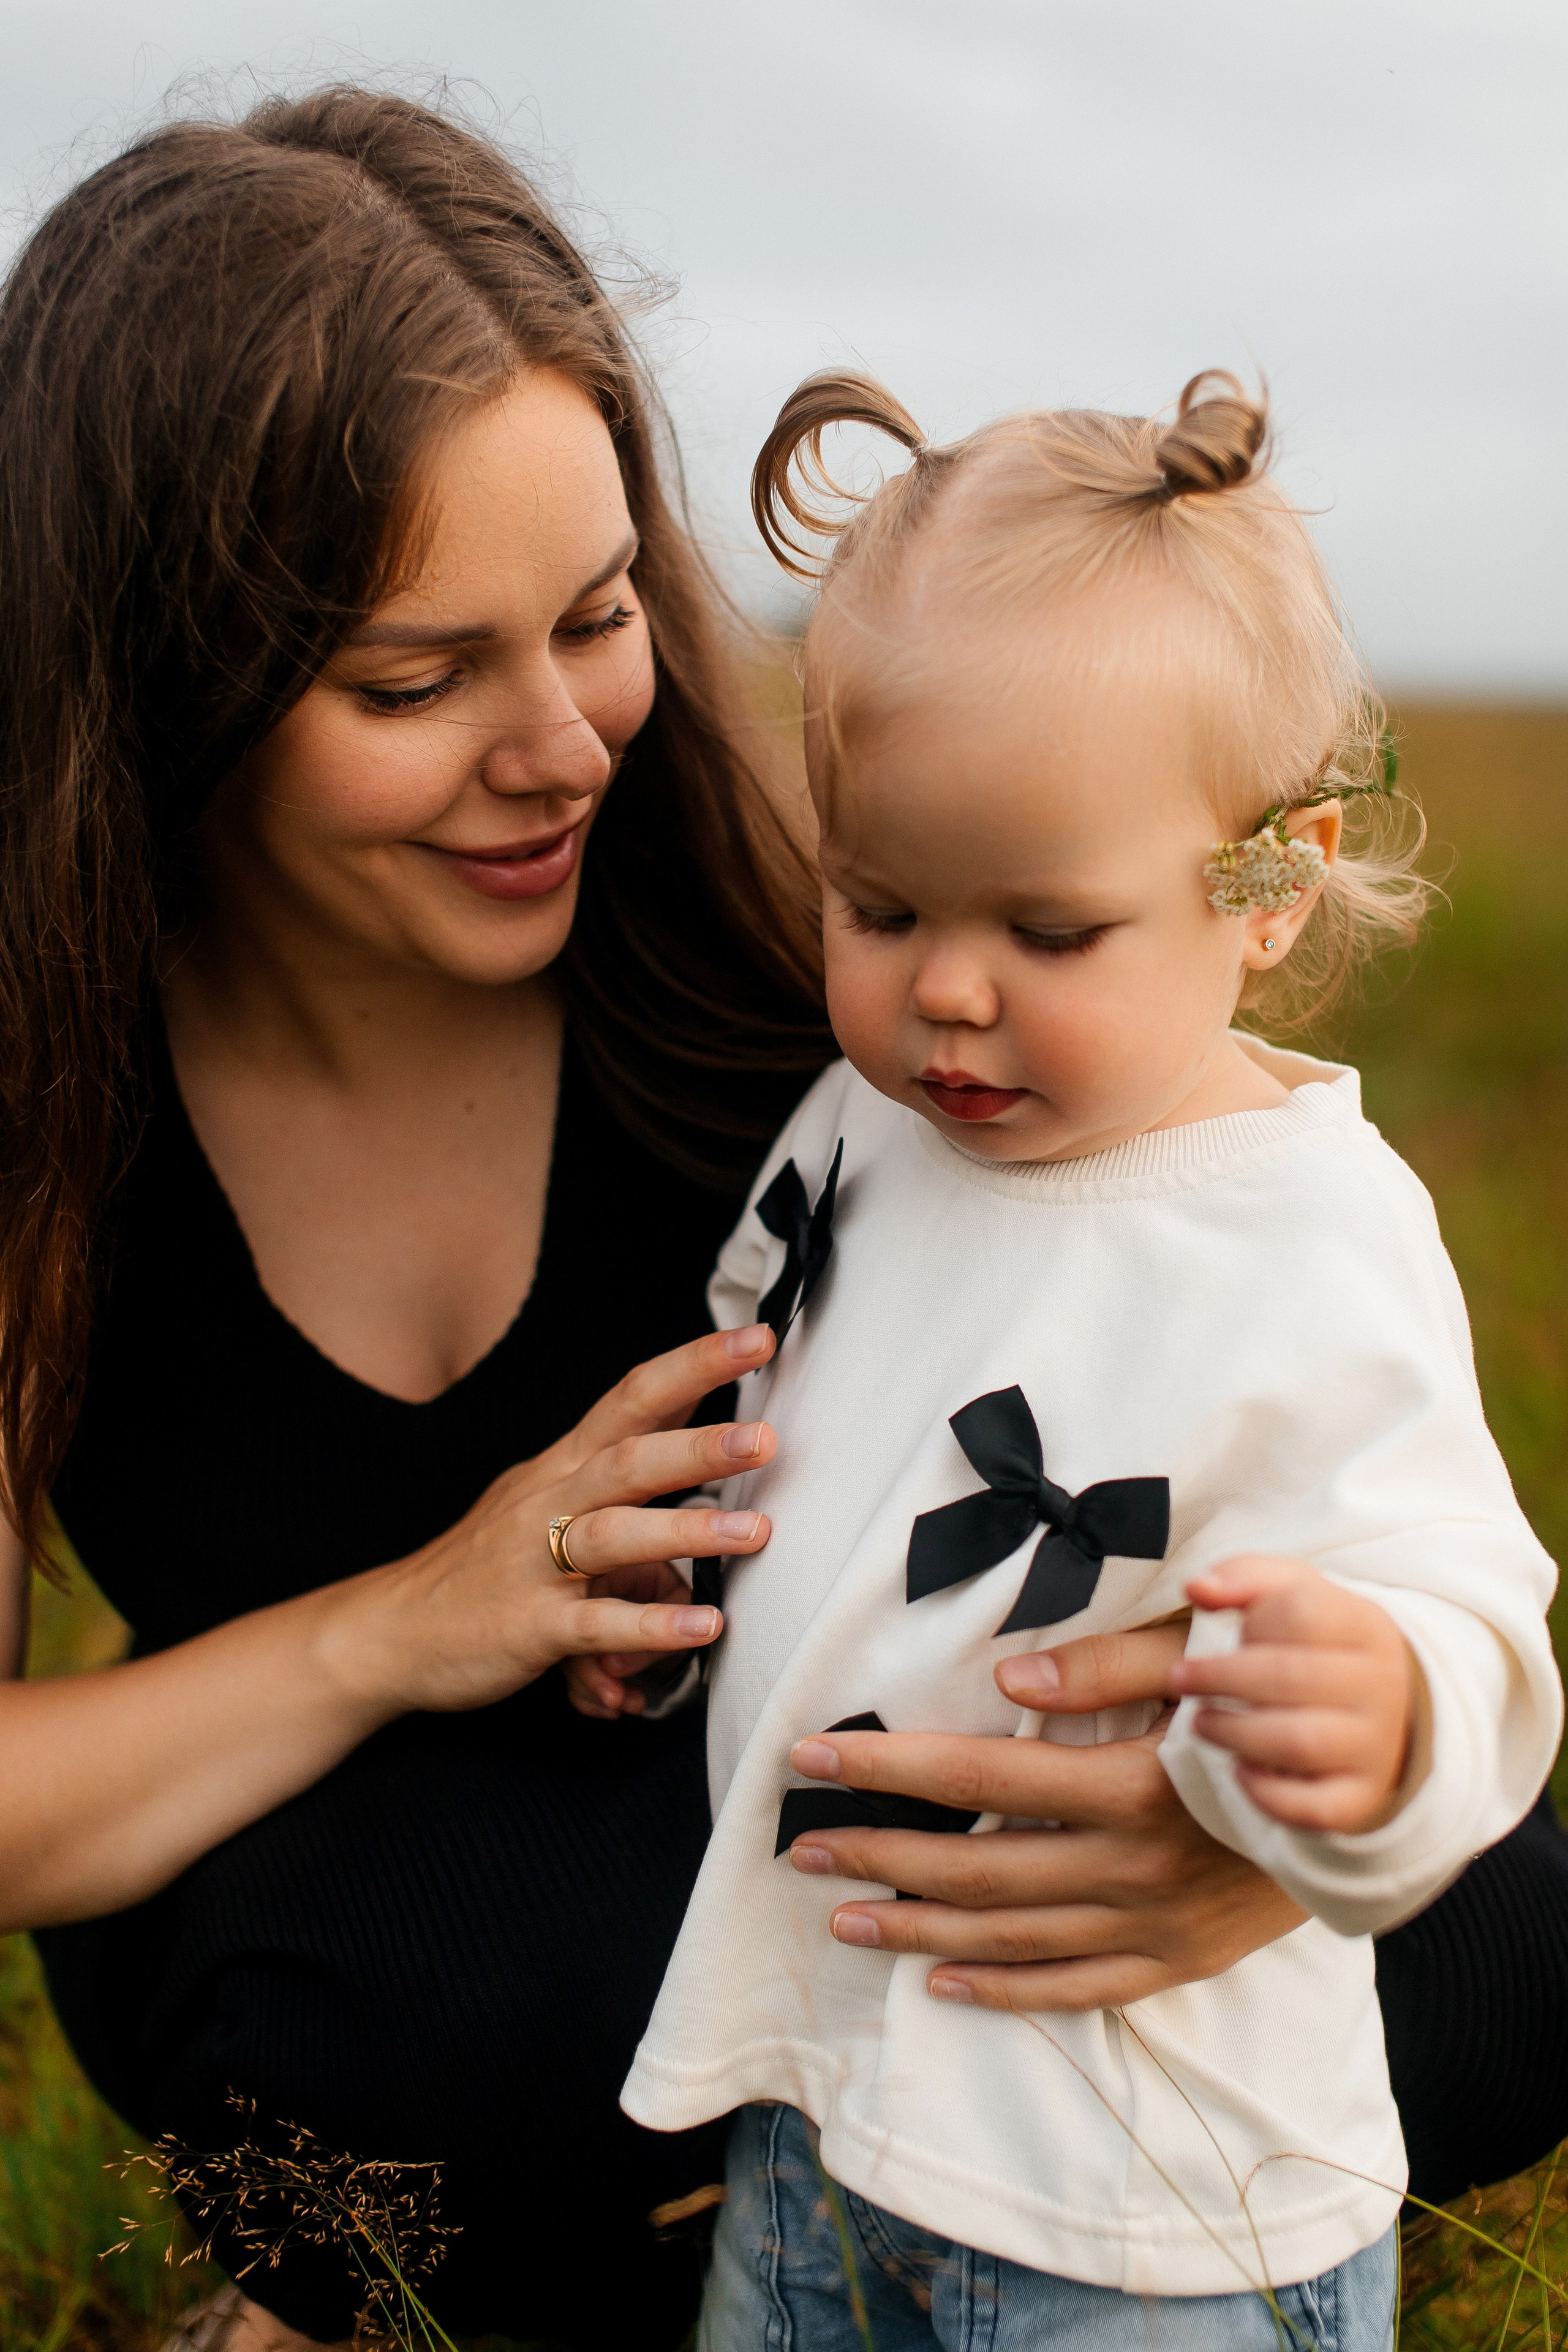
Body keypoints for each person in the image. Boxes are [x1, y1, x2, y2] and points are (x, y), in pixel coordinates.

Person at [0, 85, 1559, 2352]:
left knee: (1508, 1947)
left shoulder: (839, 1012)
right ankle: (378, 2270)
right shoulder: (48, 1086)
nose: (567, 746)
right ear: (159, 680)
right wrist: (408, 1622)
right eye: (413, 682)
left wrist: (1227, 1861)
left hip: (819, 1803)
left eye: (601, 616)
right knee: (377, 2065)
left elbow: (1328, 1501)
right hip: (337, 1839)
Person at [615, 368, 1562, 2350]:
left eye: (1050, 932)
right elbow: (770, 1362)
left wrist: (1386, 1714)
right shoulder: (868, 1121)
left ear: (1267, 885)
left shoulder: (1305, 1232)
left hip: (1148, 2193)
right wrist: (681, 1582)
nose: (948, 992)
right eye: (881, 905)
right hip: (819, 2100)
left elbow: (1460, 1593)